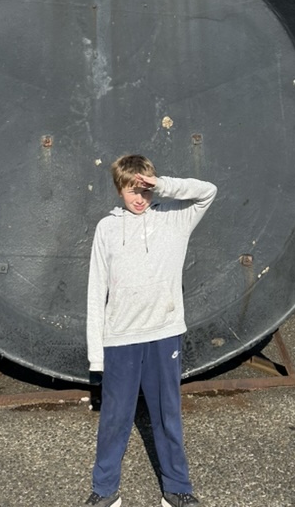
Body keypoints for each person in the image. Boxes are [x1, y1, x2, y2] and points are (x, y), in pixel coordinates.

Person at [83, 153, 217, 507]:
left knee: (167, 416)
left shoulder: (176, 220)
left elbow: (208, 191)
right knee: (114, 420)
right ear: (119, 189)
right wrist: (96, 356)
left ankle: (177, 489)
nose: (139, 198)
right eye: (132, 190)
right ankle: (105, 492)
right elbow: (96, 292)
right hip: (121, 340)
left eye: (144, 189)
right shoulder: (106, 229)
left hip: (164, 334)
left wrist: (163, 184)